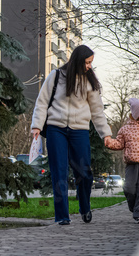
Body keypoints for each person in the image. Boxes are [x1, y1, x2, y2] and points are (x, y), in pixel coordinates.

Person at [31, 45, 112, 225]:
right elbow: (42, 102)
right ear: (77, 61)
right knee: (59, 172)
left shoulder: (90, 82)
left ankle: (85, 207)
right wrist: (37, 126)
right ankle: (62, 216)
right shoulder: (56, 76)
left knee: (84, 172)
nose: (90, 66)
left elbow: (97, 111)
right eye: (87, 62)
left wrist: (105, 134)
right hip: (55, 129)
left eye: (91, 62)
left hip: (79, 130)